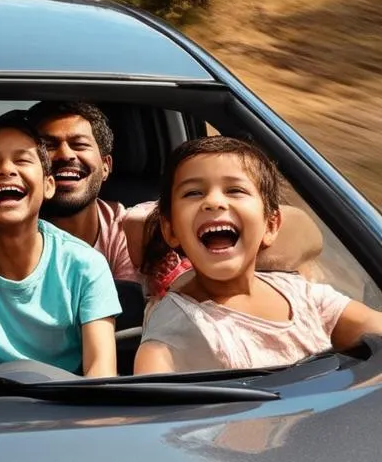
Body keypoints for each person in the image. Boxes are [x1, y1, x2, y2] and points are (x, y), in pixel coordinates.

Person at [133, 136, 382, 374]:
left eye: (235, 190)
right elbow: (151, 393)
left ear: (271, 226)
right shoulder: (173, 328)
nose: (214, 201)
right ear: (171, 230)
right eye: (193, 193)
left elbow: (371, 326)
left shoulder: (301, 293)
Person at [29, 102, 323, 294]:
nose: (65, 155)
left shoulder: (138, 225)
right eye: (49, 146)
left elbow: (307, 234)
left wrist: (169, 231)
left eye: (79, 144)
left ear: (106, 166)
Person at [0, 111, 120, 377]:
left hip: (70, 407)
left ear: (49, 185)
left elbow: (101, 371)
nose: (7, 169)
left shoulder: (86, 265)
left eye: (22, 160)